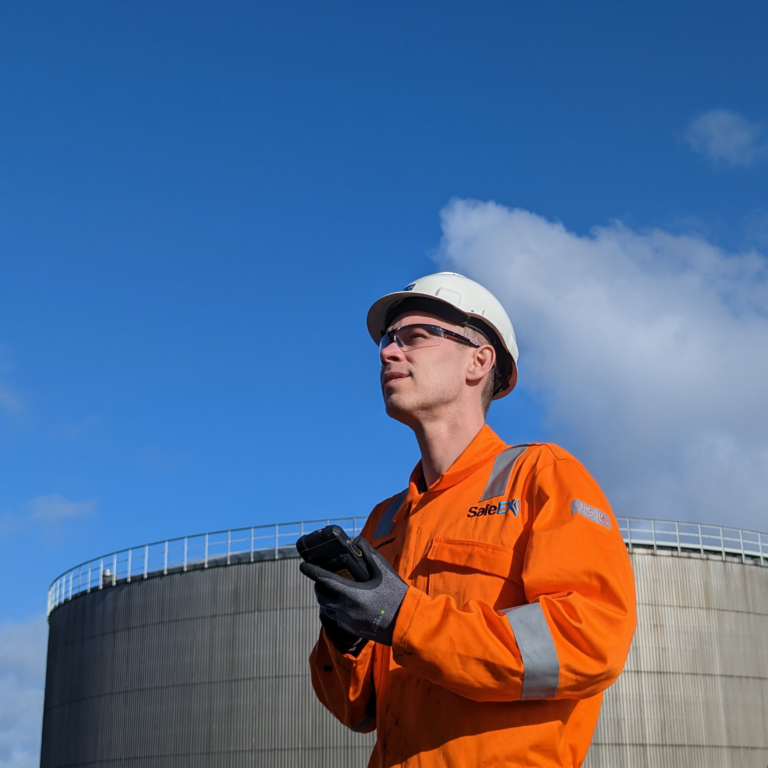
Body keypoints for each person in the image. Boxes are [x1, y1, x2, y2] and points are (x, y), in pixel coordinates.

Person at [300, 272, 636, 767]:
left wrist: (404, 618)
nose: (387, 353)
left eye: (412, 337)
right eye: (387, 341)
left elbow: (591, 639)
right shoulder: (386, 519)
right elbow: (356, 710)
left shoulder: (541, 477)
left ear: (479, 360)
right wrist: (345, 636)